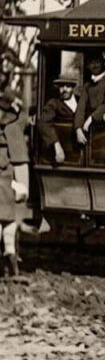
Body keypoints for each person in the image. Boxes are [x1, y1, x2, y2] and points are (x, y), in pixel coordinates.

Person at [0, 93, 29, 279]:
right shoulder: (12, 128)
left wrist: (23, 187)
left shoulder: (11, 130)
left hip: (6, 182)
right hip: (6, 182)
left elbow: (20, 161)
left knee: (8, 223)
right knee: (8, 223)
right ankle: (10, 262)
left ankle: (10, 262)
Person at [74, 53, 105, 145]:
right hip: (89, 129)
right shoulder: (87, 86)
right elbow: (81, 108)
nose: (95, 65)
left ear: (103, 63)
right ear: (87, 66)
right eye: (91, 63)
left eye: (97, 62)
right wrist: (78, 129)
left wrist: (91, 118)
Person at [38, 74, 79, 164]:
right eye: (61, 86)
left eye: (68, 86)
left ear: (73, 87)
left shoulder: (81, 101)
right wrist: (56, 144)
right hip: (63, 152)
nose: (64, 89)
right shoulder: (54, 103)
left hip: (81, 151)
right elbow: (44, 123)